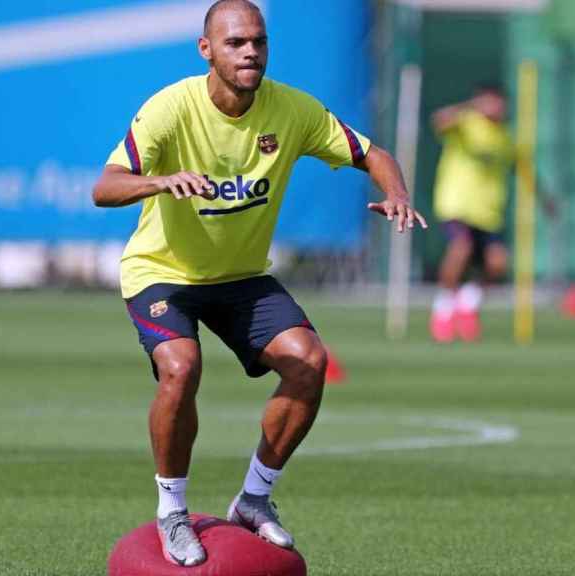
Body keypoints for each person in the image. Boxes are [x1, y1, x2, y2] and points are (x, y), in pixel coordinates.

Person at [92, 0, 427, 567]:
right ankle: (172, 509)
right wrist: (160, 180)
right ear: (207, 50)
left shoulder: (293, 110)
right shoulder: (171, 108)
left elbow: (373, 154)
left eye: (258, 41)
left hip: (241, 276)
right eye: (235, 43)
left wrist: (396, 193)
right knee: (181, 367)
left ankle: (253, 498)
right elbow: (105, 187)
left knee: (309, 361)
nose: (250, 52)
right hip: (162, 272)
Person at [428, 86, 515, 343]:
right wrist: (470, 106)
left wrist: (545, 200)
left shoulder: (505, 137)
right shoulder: (465, 123)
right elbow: (438, 120)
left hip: (488, 212)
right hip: (456, 205)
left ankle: (468, 303)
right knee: (461, 247)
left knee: (498, 263)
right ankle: (443, 308)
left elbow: (522, 166)